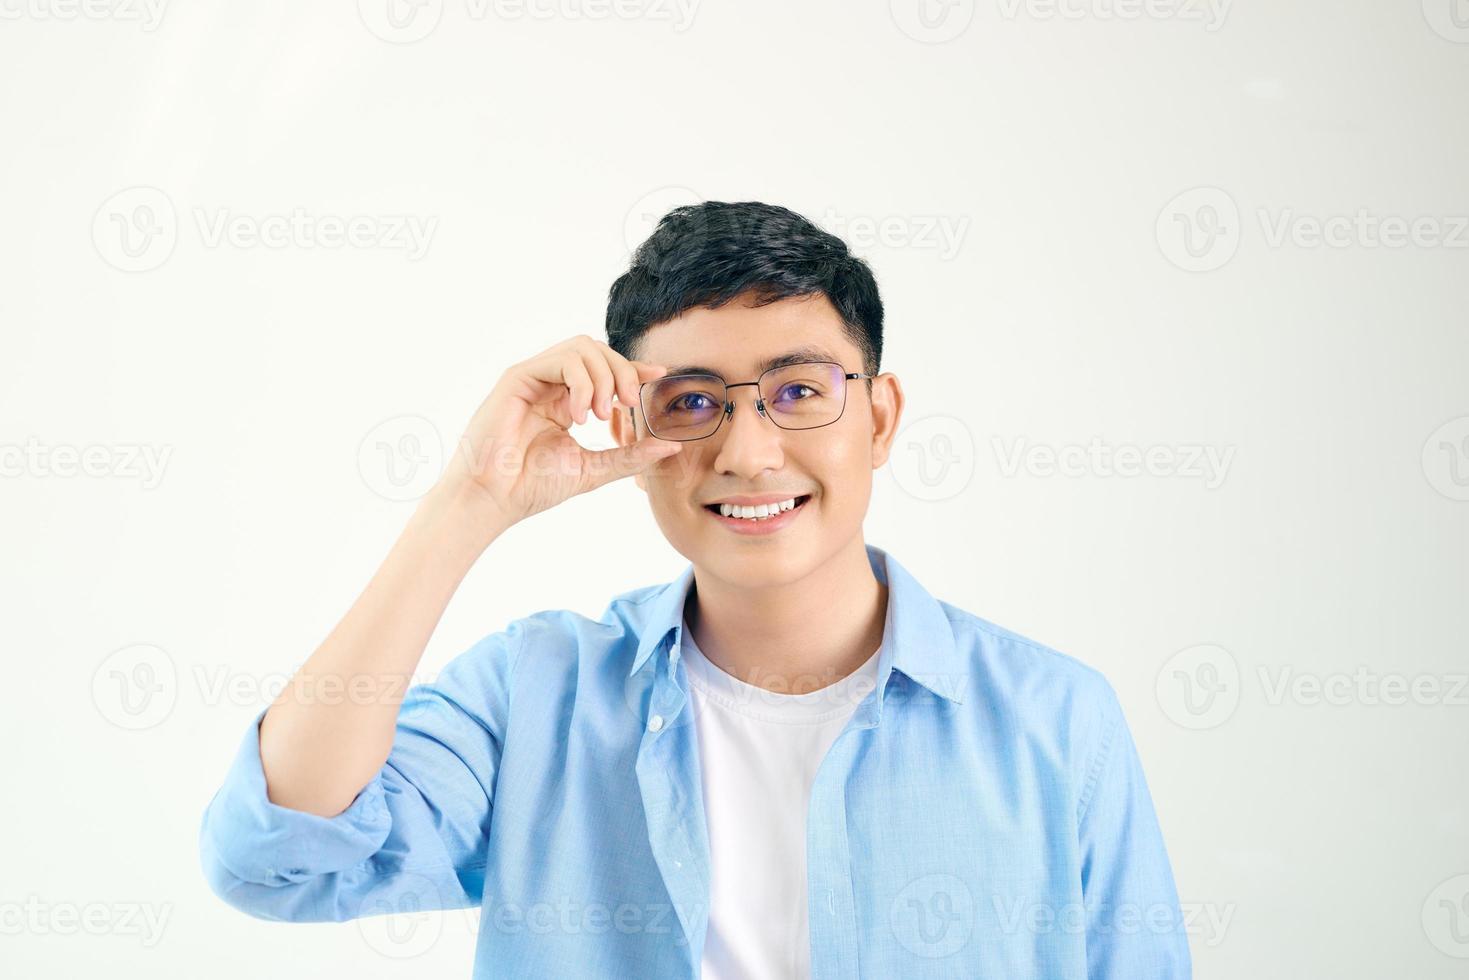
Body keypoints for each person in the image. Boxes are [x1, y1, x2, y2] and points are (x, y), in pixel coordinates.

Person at [198, 201, 1192, 978]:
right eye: (691, 402)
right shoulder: (536, 693)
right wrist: (471, 497)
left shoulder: (1056, 719)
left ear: (879, 419)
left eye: (800, 391)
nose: (748, 451)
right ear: (632, 426)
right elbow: (275, 851)